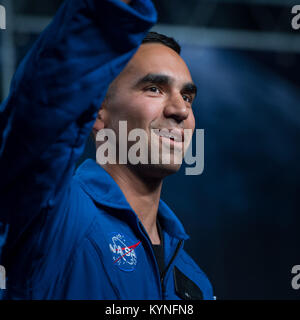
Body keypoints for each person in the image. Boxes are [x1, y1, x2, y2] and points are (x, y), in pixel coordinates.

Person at [0, 0, 213, 299]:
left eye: (188, 97)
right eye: (154, 88)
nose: (180, 109)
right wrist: (107, 15)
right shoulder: (55, 217)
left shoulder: (195, 281)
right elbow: (38, 116)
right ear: (97, 112)